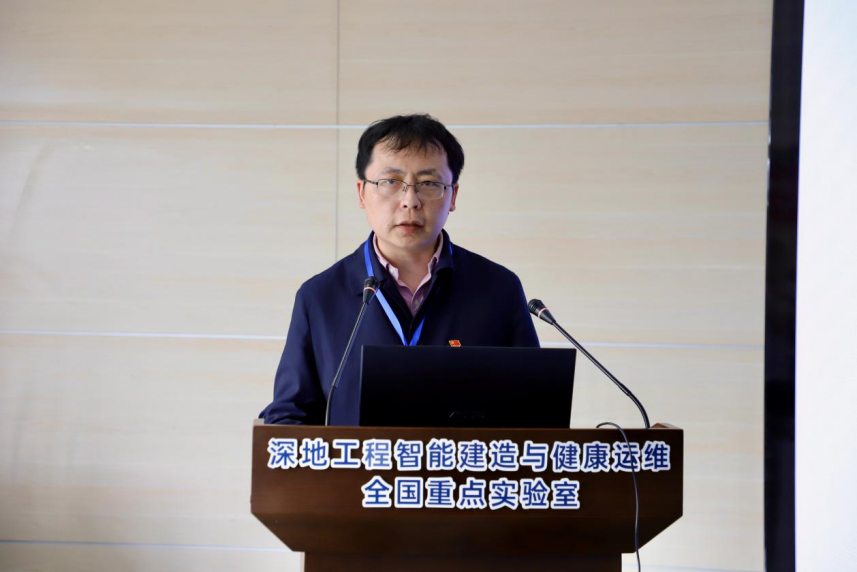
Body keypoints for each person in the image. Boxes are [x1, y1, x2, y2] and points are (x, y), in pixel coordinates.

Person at [260, 114, 539, 425]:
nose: (410, 201)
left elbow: (535, 413)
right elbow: (290, 416)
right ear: (362, 193)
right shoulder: (320, 296)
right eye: (390, 182)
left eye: (429, 184)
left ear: (453, 196)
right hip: (360, 460)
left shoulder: (498, 289)